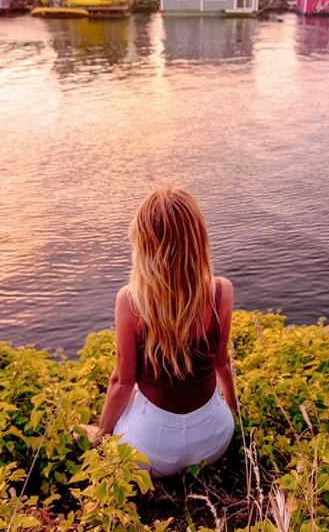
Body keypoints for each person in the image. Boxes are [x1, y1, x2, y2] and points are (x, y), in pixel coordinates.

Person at [92, 188, 238, 477]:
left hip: (151, 453)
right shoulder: (221, 291)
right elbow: (222, 363)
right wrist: (235, 412)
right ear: (197, 238)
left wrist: (100, 440)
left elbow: (122, 382)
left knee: (125, 401)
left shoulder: (131, 300)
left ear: (145, 245)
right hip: (215, 443)